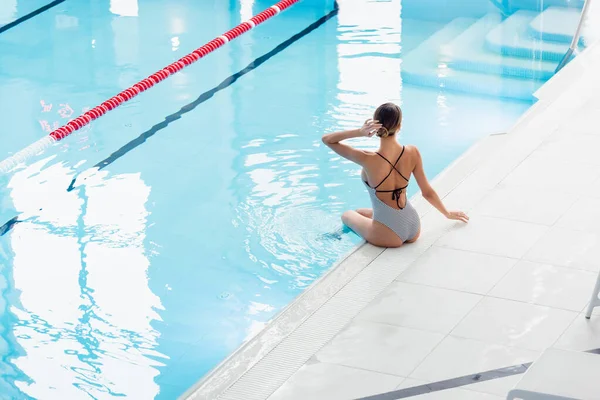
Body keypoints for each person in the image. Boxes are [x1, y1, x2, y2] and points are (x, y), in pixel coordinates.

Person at [322, 102, 469, 248]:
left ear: (375, 126)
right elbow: (427, 192)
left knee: (347, 215)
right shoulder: (413, 152)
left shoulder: (367, 158)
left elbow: (327, 139)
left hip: (389, 235)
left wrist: (359, 132)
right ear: (399, 126)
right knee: (360, 212)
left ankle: (337, 237)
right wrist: (447, 213)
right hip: (413, 226)